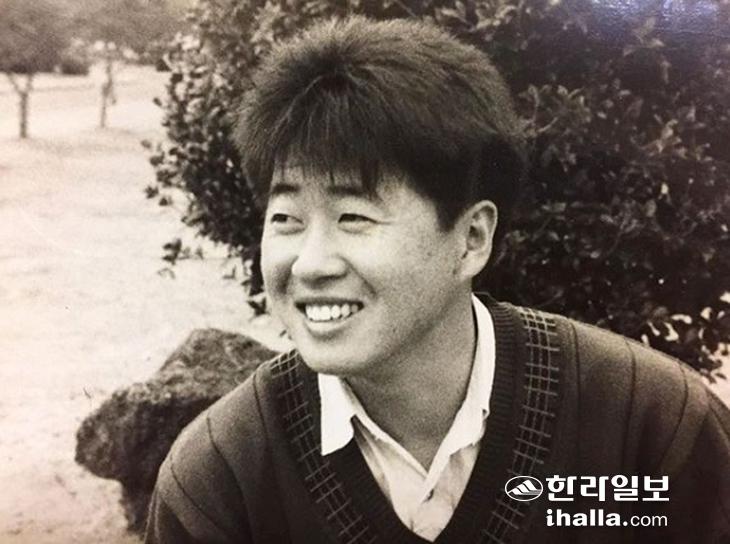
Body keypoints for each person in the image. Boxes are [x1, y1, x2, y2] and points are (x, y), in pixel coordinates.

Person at [145, 16, 730, 544]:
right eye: (286, 220)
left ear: (471, 238)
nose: (310, 264)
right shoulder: (221, 481)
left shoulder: (651, 429)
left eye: (354, 217)